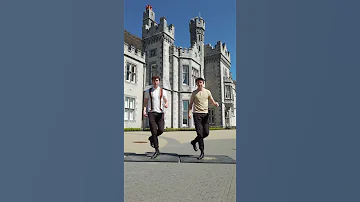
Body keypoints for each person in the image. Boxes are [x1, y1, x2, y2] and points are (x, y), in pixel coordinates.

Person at [188, 77, 219, 160]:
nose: (199, 84)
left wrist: (215, 104)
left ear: (203, 83)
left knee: (206, 133)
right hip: (197, 114)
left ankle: (194, 141)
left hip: (205, 114)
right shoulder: (194, 93)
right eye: (198, 82)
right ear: (196, 84)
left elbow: (211, 100)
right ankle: (202, 152)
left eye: (201, 82)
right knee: (200, 134)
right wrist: (189, 113)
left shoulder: (207, 92)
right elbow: (190, 104)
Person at [143, 76, 168, 159]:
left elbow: (166, 100)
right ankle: (157, 150)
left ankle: (151, 138)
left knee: (161, 130)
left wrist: (166, 104)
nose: (155, 82)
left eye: (156, 80)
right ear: (152, 81)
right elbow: (145, 102)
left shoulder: (163, 91)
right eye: (153, 80)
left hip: (160, 113)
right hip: (151, 113)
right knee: (154, 131)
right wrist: (144, 110)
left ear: (159, 81)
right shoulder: (148, 91)